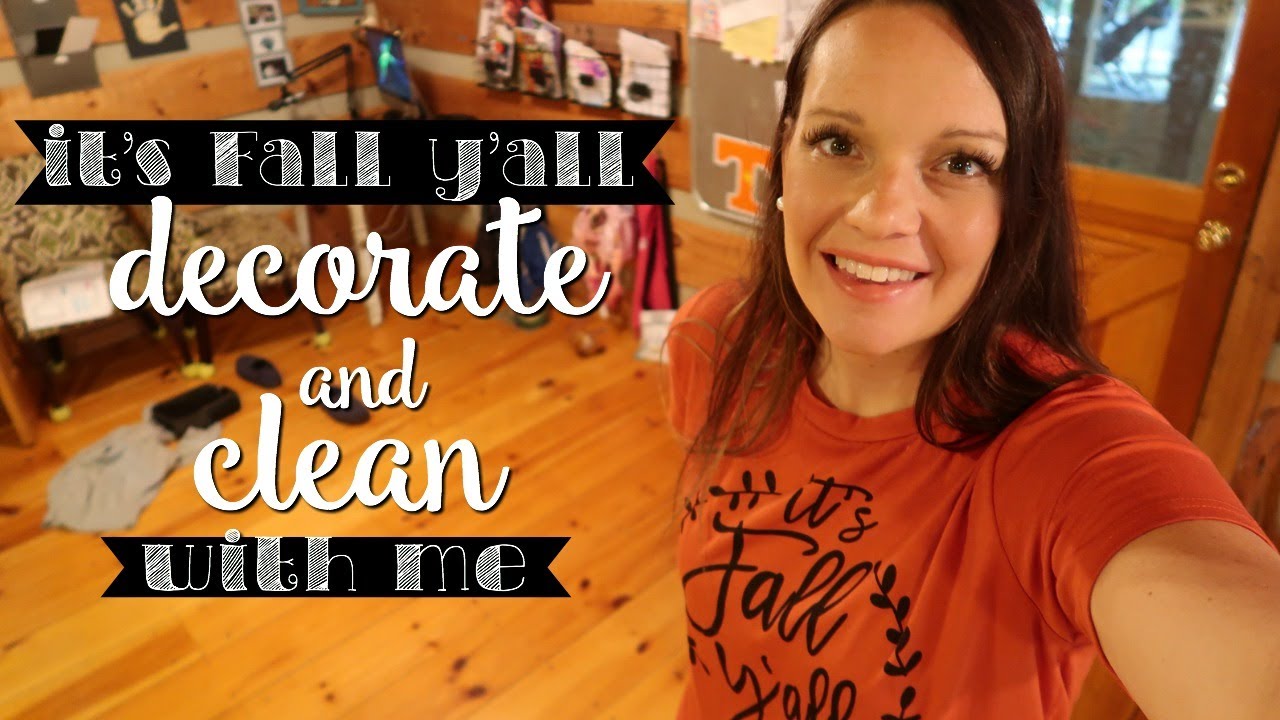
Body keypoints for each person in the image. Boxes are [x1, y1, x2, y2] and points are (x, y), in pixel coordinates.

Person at [662, 1, 1280, 718]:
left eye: (961, 162)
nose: (881, 214)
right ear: (784, 157)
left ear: (1017, 210)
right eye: (838, 142)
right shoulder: (717, 339)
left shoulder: (1060, 452)